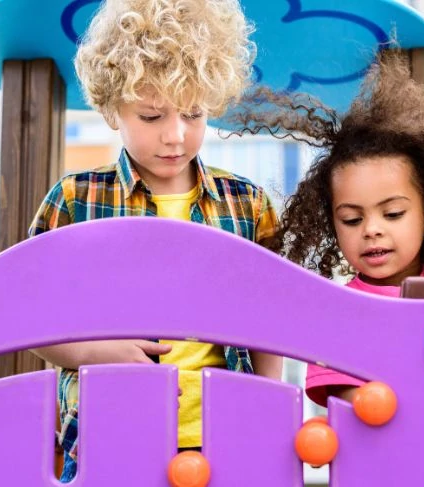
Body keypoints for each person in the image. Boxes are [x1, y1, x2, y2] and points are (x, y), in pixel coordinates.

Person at [27, 0, 282, 480]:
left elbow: (274, 315)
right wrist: (90, 351)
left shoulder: (246, 204)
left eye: (193, 113)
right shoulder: (75, 199)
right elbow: (32, 313)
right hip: (110, 426)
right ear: (110, 109)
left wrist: (269, 406)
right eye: (151, 116)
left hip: (224, 434)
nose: (176, 136)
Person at [232, 52, 424, 407]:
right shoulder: (339, 308)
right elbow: (345, 401)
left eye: (392, 214)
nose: (372, 230)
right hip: (376, 459)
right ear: (332, 224)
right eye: (352, 219)